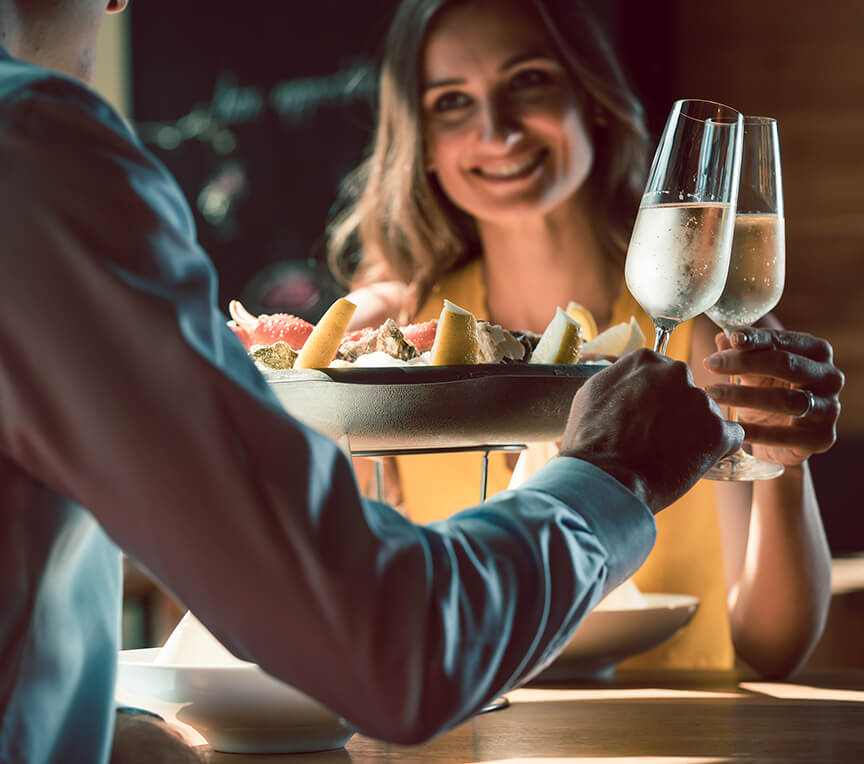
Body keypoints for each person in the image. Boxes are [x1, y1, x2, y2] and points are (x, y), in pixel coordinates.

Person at [0, 2, 742, 762]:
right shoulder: (37, 154)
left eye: (528, 82)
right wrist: (610, 475)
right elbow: (392, 646)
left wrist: (100, 731)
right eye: (451, 101)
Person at [329, 0, 845, 677]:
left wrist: (785, 460)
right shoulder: (397, 342)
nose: (498, 130)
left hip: (679, 738)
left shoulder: (701, 333)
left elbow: (773, 646)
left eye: (528, 80)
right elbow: (363, 608)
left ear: (591, 96)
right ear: (421, 141)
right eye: (452, 101)